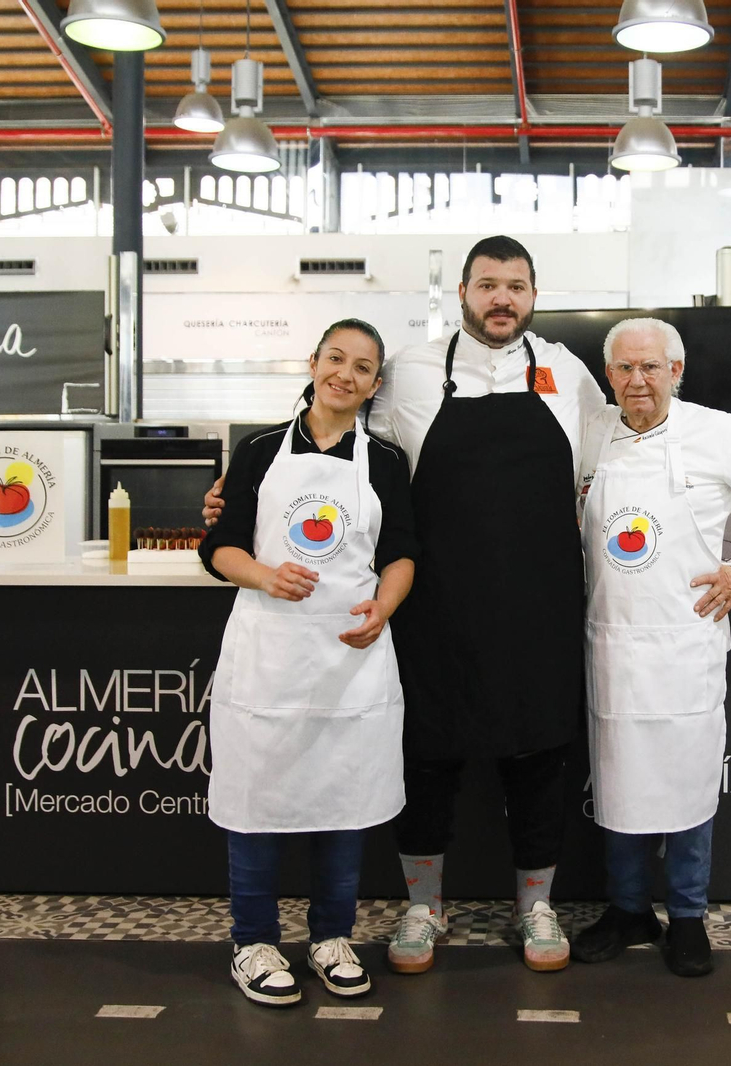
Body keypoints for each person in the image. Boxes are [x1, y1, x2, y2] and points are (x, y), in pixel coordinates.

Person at [203, 237, 602, 974]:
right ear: (462, 291)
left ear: (534, 296)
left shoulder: (570, 376)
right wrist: (243, 494)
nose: (501, 299)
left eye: (516, 286)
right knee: (429, 756)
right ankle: (424, 908)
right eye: (488, 284)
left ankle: (536, 908)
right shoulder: (414, 371)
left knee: (543, 753)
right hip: (433, 599)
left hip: (540, 600)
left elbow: (602, 468)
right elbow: (350, 454)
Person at [568, 318, 731, 977]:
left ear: (677, 371)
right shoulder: (591, 435)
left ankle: (689, 916)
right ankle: (626, 910)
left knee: (690, 784)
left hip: (686, 644)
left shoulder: (717, 433)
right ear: (608, 374)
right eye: (623, 369)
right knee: (617, 784)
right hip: (611, 641)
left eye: (651, 368)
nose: (636, 380)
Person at [198, 319, 417, 1007]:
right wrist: (264, 575)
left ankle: (331, 936)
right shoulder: (258, 447)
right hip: (272, 654)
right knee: (256, 798)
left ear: (375, 384)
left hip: (351, 655)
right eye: (335, 359)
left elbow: (402, 554)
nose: (345, 375)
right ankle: (253, 941)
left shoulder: (385, 459)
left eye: (362, 367)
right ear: (314, 363)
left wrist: (383, 607)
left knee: (343, 799)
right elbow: (218, 547)